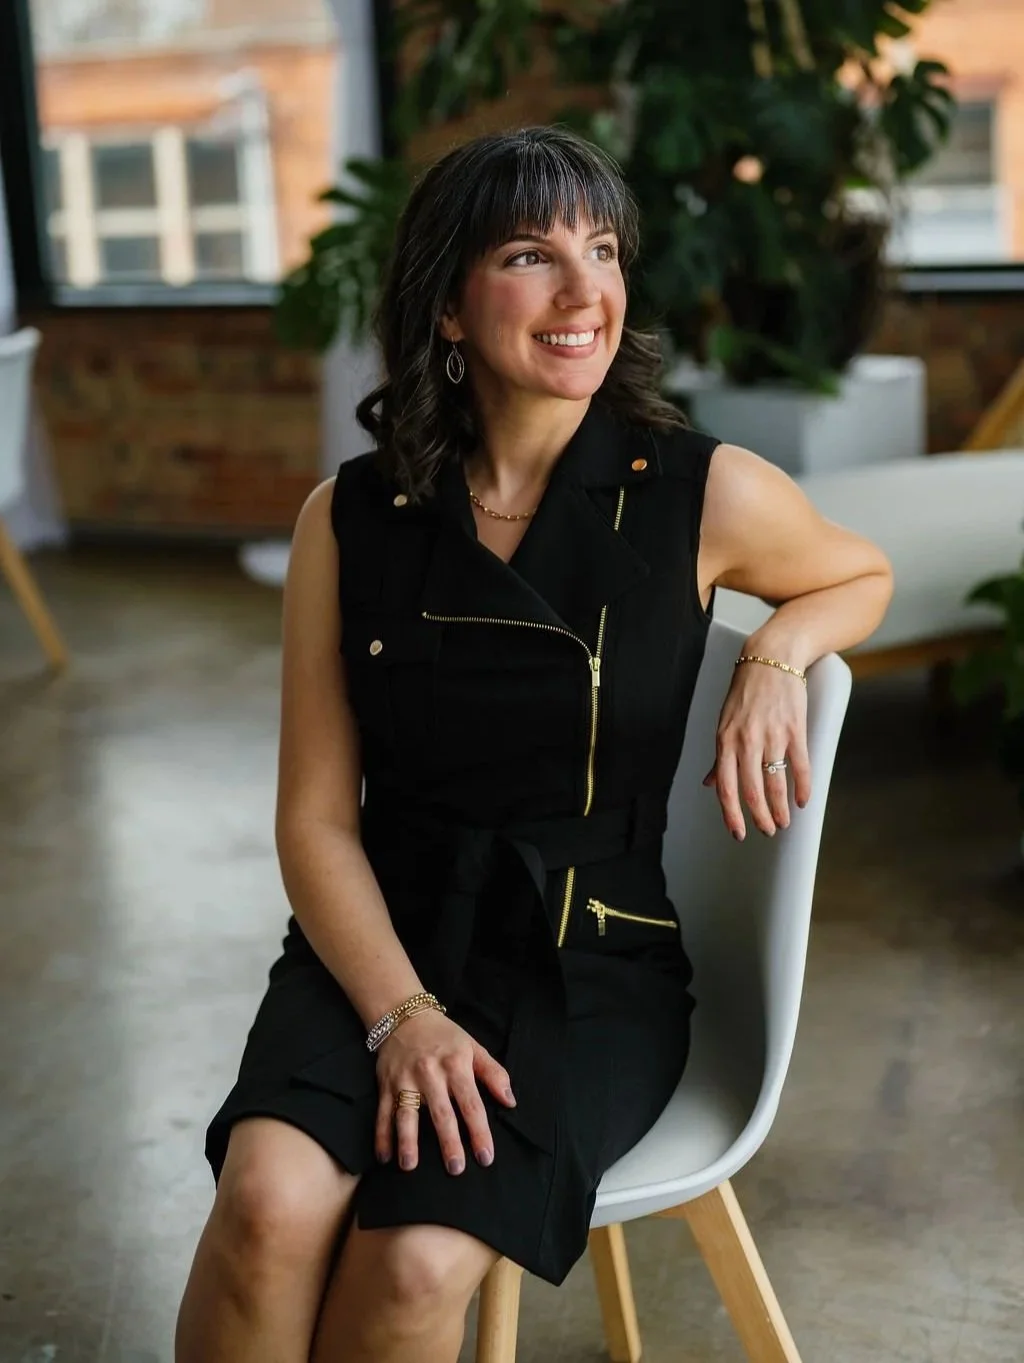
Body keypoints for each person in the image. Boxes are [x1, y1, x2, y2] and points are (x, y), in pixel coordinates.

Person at [175, 126, 893, 1363]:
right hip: (378, 939)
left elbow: (860, 571)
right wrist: (401, 1015)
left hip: (583, 964)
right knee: (265, 1208)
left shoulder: (693, 490)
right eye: (529, 255)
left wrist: (776, 655)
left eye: (601, 250)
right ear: (448, 307)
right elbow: (314, 818)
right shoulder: (346, 520)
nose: (584, 293)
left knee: (411, 1263)